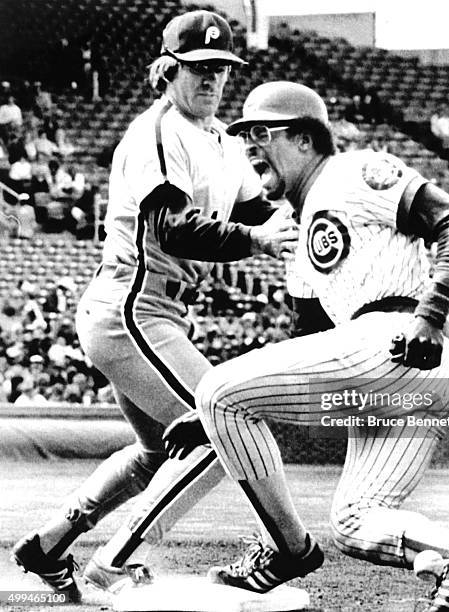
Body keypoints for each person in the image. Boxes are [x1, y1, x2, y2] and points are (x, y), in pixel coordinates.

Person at [166, 81, 449, 611]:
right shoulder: (298, 232)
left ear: (306, 140)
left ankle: (285, 553)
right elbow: (308, 346)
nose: (250, 145)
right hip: (412, 373)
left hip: (403, 335)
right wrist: (217, 410)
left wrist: (430, 315)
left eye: (262, 132)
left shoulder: (350, 171)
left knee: (218, 389)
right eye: (244, 137)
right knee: (355, 521)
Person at [11, 11, 298, 602]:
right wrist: (259, 240)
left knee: (153, 454)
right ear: (169, 71)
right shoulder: (158, 131)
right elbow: (172, 227)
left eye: (222, 68)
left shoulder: (220, 138)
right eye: (199, 68)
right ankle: (115, 562)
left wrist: (304, 214)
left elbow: (253, 213)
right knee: (223, 431)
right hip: (131, 308)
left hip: (149, 312)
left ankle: (47, 546)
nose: (213, 79)